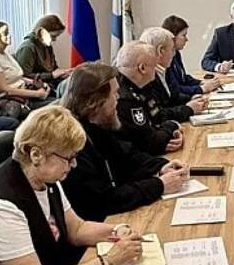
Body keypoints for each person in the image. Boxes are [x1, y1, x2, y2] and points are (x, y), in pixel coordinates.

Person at [0, 106, 145, 265]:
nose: (74, 165)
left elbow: (77, 229)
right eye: (68, 158)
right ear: (36, 154)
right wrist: (108, 262)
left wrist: (116, 231)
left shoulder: (46, 178)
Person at [60, 62, 189, 221]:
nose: (118, 98)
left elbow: (127, 156)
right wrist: (159, 185)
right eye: (114, 94)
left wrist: (161, 167)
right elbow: (102, 201)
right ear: (95, 102)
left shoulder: (97, 124)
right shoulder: (72, 143)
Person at [114, 41, 184, 156]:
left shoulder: (140, 85)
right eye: (154, 66)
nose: (156, 71)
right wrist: (172, 126)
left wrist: (170, 129)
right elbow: (150, 143)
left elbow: (157, 117)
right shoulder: (125, 98)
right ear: (142, 68)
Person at [139, 26, 207, 121]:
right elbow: (158, 116)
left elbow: (173, 97)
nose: (174, 54)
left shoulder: (164, 70)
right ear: (160, 51)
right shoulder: (146, 77)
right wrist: (188, 109)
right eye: (172, 49)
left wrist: (191, 98)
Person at [0, 19, 51, 105]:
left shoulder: (5, 54)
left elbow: (17, 78)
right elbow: (4, 90)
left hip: (25, 95)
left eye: (9, 32)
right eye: (5, 33)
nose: (9, 36)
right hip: (11, 102)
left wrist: (34, 83)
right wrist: (37, 94)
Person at [162, 15, 221, 97]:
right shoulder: (166, 59)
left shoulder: (176, 54)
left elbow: (183, 78)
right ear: (173, 36)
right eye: (183, 35)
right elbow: (175, 89)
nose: (186, 39)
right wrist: (202, 89)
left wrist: (201, 82)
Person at [14, 14, 72, 88]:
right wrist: (51, 75)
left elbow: (54, 69)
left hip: (50, 83)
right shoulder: (27, 47)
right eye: (53, 36)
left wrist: (63, 74)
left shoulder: (47, 45)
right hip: (36, 87)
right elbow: (24, 75)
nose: (54, 39)